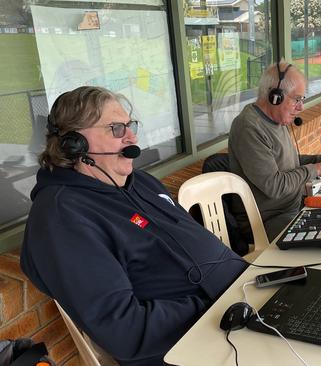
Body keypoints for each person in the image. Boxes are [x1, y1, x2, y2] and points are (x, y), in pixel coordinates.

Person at [20, 86, 247, 366]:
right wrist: (218, 304)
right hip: (196, 343)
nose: (132, 137)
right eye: (116, 128)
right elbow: (125, 330)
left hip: (237, 305)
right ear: (73, 143)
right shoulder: (62, 218)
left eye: (130, 125)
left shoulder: (140, 183)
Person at [228, 61, 321, 241]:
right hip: (267, 221)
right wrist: (317, 169)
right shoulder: (249, 127)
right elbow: (274, 186)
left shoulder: (277, 119)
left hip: (295, 206)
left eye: (302, 99)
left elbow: (289, 163)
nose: (301, 107)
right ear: (274, 96)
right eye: (297, 99)